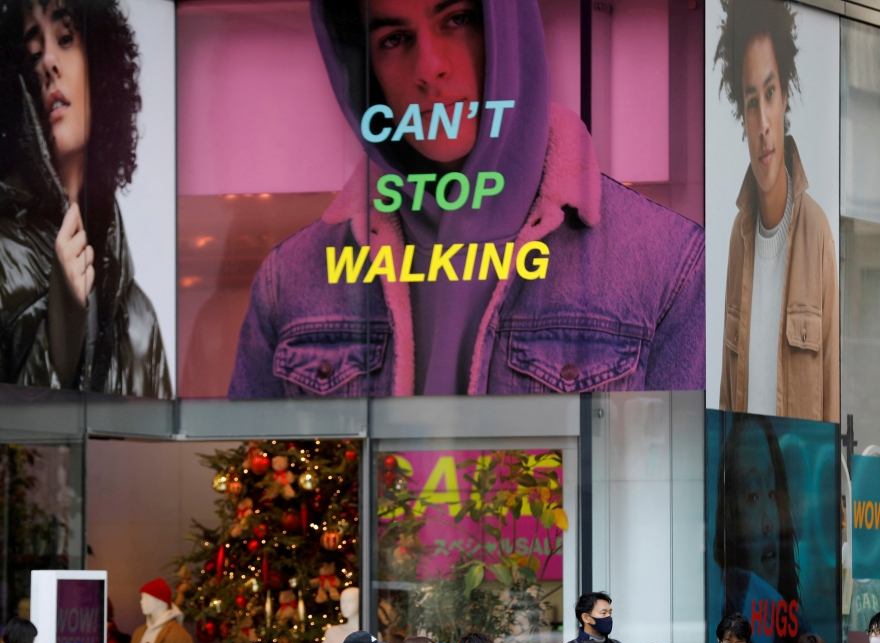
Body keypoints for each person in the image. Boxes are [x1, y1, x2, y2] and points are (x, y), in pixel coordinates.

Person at [228, 0, 706, 399]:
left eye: (457, 19)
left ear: (507, 26)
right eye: (394, 39)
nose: (429, 68)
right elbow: (249, 493)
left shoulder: (666, 267)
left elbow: (689, 495)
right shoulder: (290, 281)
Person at [0, 0, 171, 396]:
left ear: (99, 65)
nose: (49, 65)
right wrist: (59, 333)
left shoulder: (141, 317)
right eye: (32, 53)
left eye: (65, 39)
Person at [714, 0, 838, 422]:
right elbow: (728, 397)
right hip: (746, 485)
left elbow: (831, 394)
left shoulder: (817, 233)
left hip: (800, 485)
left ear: (785, 97)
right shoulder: (738, 237)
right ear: (742, 115)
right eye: (751, 102)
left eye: (769, 93)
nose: (763, 122)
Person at [714, 414, 815, 643]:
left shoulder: (798, 630)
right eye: (752, 496)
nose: (769, 522)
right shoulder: (726, 609)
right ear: (731, 516)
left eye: (772, 494)